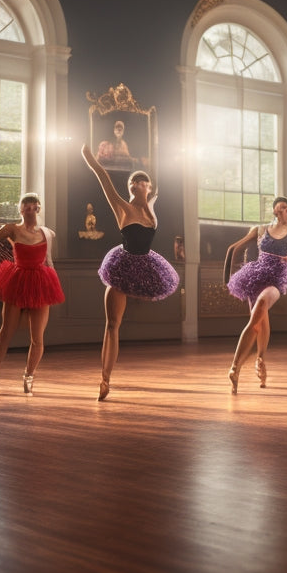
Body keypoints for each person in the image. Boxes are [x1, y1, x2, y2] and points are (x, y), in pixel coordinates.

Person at [81, 143, 179, 401]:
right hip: (122, 266)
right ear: (130, 188)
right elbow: (103, 177)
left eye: (142, 181)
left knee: (119, 324)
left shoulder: (152, 208)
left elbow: (162, 183)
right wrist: (89, 156)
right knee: (113, 325)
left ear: (149, 187)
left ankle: (106, 376)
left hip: (145, 265)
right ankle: (105, 379)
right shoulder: (122, 207)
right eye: (134, 181)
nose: (137, 183)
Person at [225, 197, 287, 393]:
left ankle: (236, 365)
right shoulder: (261, 229)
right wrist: (230, 269)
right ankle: (257, 361)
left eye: (284, 207)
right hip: (254, 278)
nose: (281, 210)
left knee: (262, 306)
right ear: (274, 211)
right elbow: (237, 247)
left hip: (276, 281)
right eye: (278, 208)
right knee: (258, 321)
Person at [0, 193, 64, 395]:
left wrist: (53, 284)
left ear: (39, 209)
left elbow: (49, 261)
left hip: (41, 280)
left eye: (34, 206)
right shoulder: (11, 229)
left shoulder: (47, 233)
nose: (31, 209)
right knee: (6, 330)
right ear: (20, 209)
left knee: (37, 337)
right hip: (17, 279)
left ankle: (29, 375)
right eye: (27, 206)